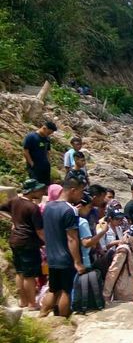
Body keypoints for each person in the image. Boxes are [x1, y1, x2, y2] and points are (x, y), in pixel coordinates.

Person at [40, 177, 85, 317]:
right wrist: (77, 262)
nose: (81, 195)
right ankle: (63, 319)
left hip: (52, 256)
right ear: (73, 190)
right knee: (66, 290)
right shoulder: (70, 211)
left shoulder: (48, 207)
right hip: (65, 258)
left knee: (54, 290)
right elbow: (72, 239)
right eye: (81, 191)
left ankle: (42, 314)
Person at [0, 179, 46, 309]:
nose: (42, 192)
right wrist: (48, 244)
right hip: (28, 243)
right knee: (29, 275)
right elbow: (40, 231)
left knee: (19, 272)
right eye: (39, 189)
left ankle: (23, 301)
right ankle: (32, 303)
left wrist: (12, 220)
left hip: (15, 241)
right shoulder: (33, 208)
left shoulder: (14, 201)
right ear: (32, 191)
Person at [104, 224, 133, 302]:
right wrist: (106, 295)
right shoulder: (123, 250)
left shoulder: (132, 247)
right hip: (124, 293)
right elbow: (112, 272)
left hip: (132, 290)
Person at [22, 121, 56, 186]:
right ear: (44, 128)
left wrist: (48, 162)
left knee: (46, 185)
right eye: (49, 132)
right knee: (36, 185)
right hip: (35, 166)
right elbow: (25, 151)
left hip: (45, 166)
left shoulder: (47, 139)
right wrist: (31, 163)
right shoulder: (31, 136)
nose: (49, 134)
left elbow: (48, 151)